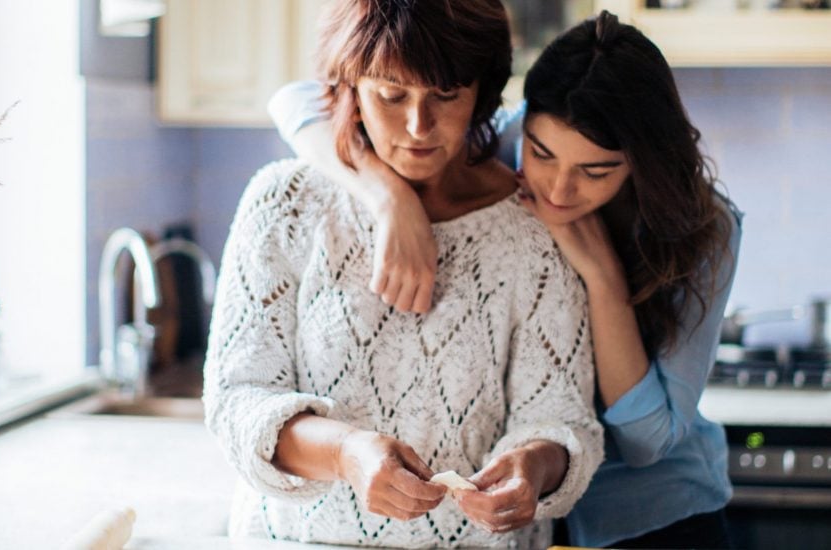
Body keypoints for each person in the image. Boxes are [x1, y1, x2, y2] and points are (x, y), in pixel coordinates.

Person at [268, 9, 741, 550]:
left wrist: (603, 280)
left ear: (640, 163)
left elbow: (646, 441)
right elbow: (299, 101)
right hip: (527, 523)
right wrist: (388, 199)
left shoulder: (706, 228)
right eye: (541, 155)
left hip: (649, 517)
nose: (559, 189)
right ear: (524, 123)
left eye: (596, 171)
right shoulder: (501, 140)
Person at [203, 1, 604, 549]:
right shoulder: (285, 204)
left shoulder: (534, 228)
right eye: (392, 95)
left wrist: (533, 467)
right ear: (350, 87)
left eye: (447, 95)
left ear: (483, 92)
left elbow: (564, 418)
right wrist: (345, 454)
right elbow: (237, 400)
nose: (419, 126)